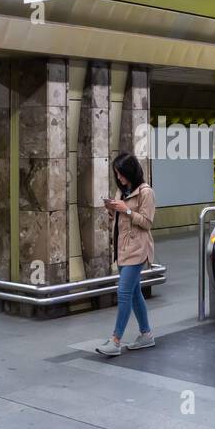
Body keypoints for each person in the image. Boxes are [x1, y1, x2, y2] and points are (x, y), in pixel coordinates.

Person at [96, 152, 157, 356]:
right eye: (117, 174)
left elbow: (147, 222)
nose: (119, 178)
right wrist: (113, 210)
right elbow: (120, 219)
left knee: (123, 293)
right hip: (122, 249)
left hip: (137, 249)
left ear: (131, 172)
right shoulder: (121, 191)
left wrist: (127, 211)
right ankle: (146, 334)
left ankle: (115, 340)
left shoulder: (146, 192)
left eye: (121, 174)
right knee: (134, 293)